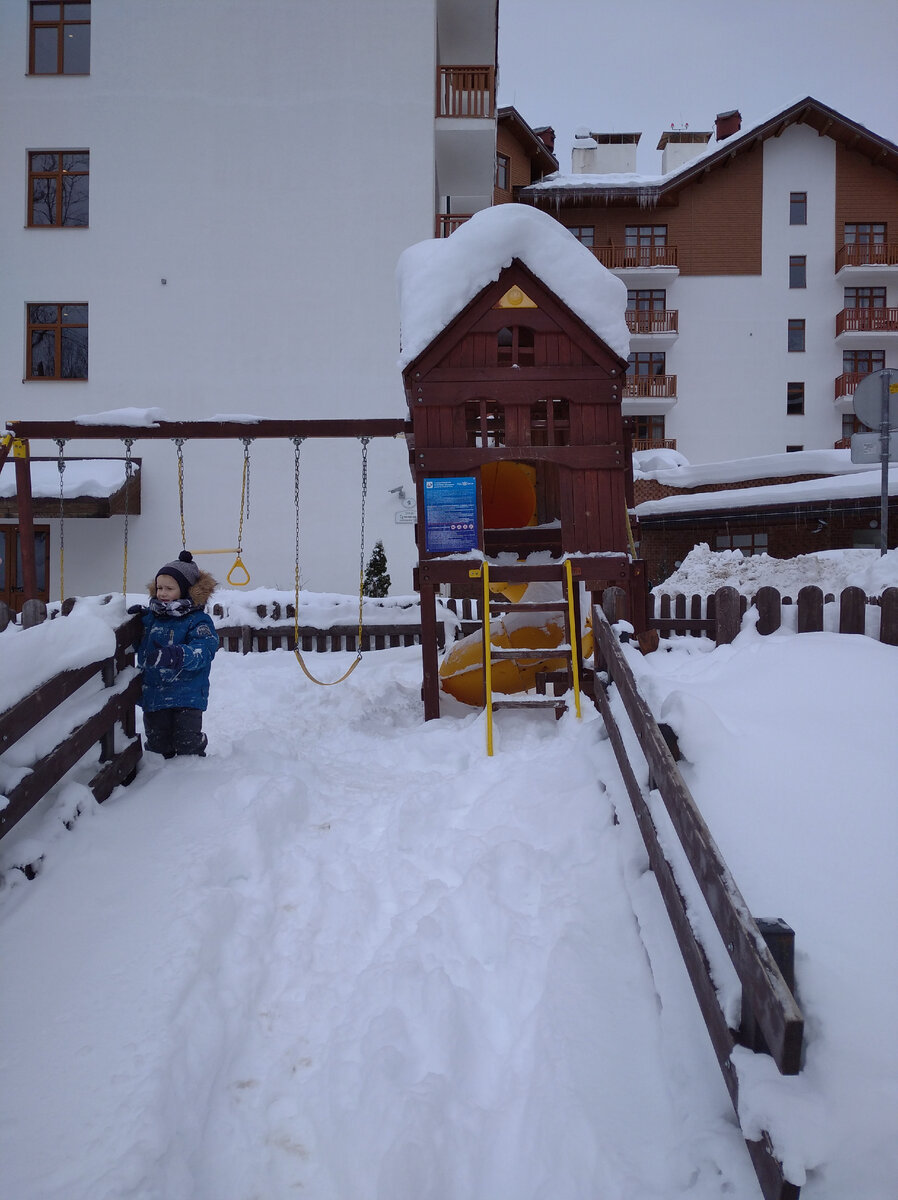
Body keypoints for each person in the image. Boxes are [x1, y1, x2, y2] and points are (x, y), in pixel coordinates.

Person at [130, 550, 218, 759]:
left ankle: (196, 754)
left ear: (186, 591)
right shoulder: (151, 617)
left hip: (187, 693)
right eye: (159, 587)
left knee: (187, 744)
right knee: (158, 747)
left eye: (169, 588)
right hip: (155, 692)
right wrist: (134, 625)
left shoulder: (197, 620)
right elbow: (139, 646)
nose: (162, 593)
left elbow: (204, 650)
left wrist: (177, 655)